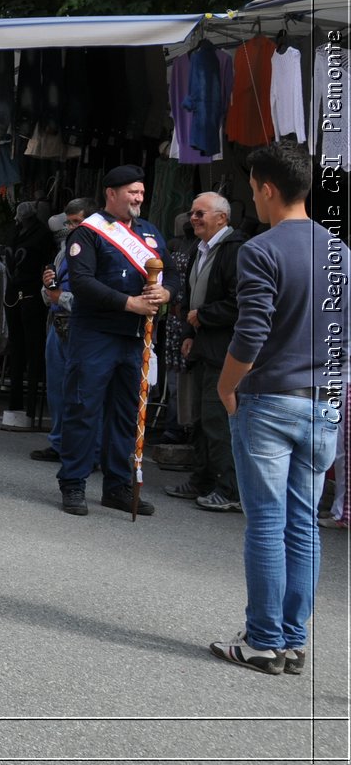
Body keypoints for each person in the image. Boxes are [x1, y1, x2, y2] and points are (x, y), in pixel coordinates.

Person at [211, 141, 346, 674]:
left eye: (252, 189)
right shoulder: (341, 251)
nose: (253, 198)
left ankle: (263, 640)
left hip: (269, 401)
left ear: (267, 188)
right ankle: (291, 640)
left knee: (266, 523)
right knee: (304, 524)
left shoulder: (259, 250)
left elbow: (251, 331)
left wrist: (226, 386)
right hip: (324, 404)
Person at [56, 165, 170, 517]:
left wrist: (166, 293)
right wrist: (128, 303)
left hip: (136, 339)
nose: (138, 198)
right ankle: (73, 483)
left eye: (140, 191)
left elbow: (173, 277)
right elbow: (83, 282)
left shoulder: (150, 233)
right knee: (83, 408)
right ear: (111, 193)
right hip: (96, 335)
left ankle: (118, 486)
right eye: (131, 192)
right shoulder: (88, 233)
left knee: (127, 414)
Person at [163, 192, 246, 512]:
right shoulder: (200, 249)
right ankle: (203, 477)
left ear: (222, 218)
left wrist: (204, 318)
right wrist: (188, 333)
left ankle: (228, 488)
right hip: (202, 344)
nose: (193, 218)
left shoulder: (235, 250)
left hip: (224, 348)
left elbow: (240, 302)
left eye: (200, 213)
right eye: (192, 212)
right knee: (197, 417)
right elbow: (191, 298)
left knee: (216, 418)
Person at [31, 199, 90, 463]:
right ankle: (58, 442)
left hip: (83, 325)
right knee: (57, 387)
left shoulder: (96, 248)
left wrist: (59, 297)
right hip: (58, 323)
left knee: (82, 390)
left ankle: (85, 448)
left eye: (77, 221)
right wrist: (49, 289)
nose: (72, 227)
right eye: (70, 222)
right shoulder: (65, 248)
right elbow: (50, 287)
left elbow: (92, 295)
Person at [2, 199, 55, 430]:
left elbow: (44, 265)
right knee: (16, 348)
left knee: (33, 350)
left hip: (32, 295)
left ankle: (31, 409)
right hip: (13, 294)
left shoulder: (42, 235)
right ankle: (15, 404)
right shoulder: (16, 232)